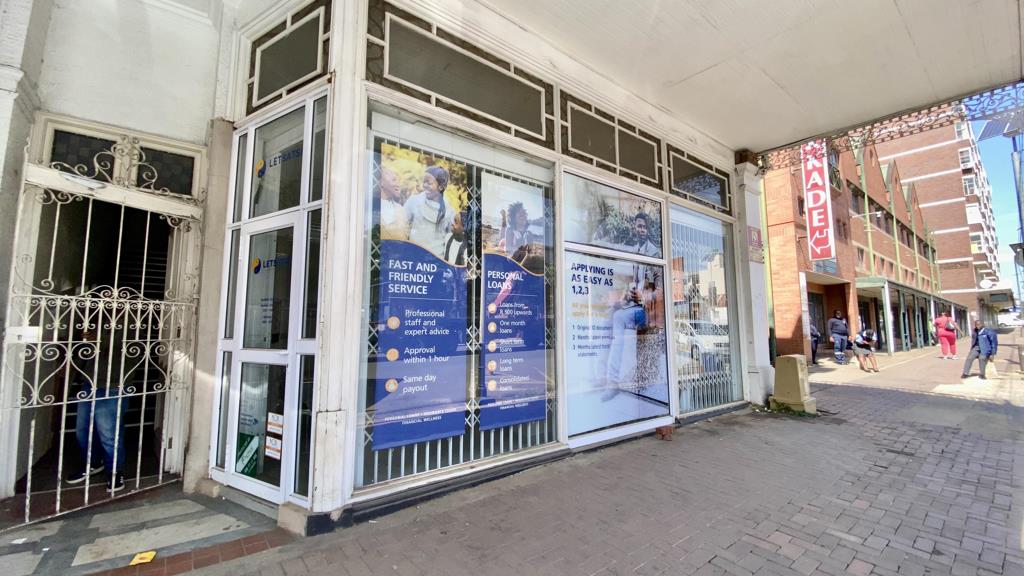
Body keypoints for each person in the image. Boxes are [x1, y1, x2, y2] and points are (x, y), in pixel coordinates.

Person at [67, 327, 127, 492]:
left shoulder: (131, 320)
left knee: (109, 432)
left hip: (114, 382)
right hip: (89, 379)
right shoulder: (97, 319)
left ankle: (114, 471)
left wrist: (98, 338)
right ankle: (92, 463)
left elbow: (128, 347)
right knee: (83, 429)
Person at [405, 165, 455, 257]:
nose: (425, 185)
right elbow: (403, 227)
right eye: (424, 182)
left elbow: (451, 240)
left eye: (429, 183)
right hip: (413, 257)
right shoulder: (414, 201)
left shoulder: (449, 212)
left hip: (436, 261)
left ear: (441, 187)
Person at [378, 167, 409, 241]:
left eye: (398, 180)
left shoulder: (401, 210)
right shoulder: (371, 207)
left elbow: (406, 238)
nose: (398, 184)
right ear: (382, 182)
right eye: (394, 180)